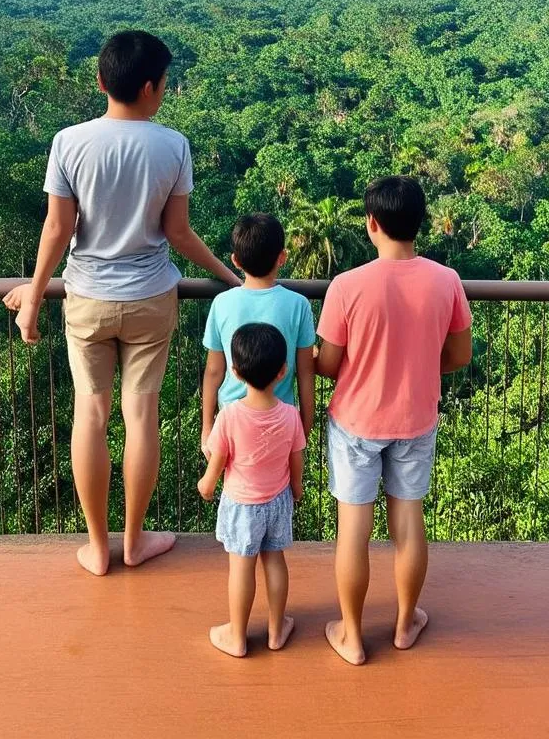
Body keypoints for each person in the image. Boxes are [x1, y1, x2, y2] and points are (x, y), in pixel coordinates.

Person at [3, 30, 240, 577]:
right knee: (140, 416)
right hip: (150, 299)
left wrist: (34, 299)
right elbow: (178, 233)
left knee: (90, 412)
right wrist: (229, 277)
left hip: (85, 299)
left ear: (100, 81)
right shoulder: (172, 145)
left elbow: (58, 229)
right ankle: (134, 542)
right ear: (153, 87)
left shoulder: (68, 142)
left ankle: (96, 546)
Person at [315, 176, 472, 666]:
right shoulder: (446, 281)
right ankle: (405, 624)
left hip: (356, 422)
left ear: (372, 224)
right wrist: (420, 362)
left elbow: (328, 363)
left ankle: (353, 636)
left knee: (353, 530)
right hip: (416, 418)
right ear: (420, 224)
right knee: (408, 523)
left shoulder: (347, 286)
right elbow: (459, 355)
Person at [198, 323, 306, 658]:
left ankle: (238, 637)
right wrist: (297, 488)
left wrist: (207, 483)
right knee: (275, 562)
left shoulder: (230, 416)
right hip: (277, 501)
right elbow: (296, 459)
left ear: (235, 371)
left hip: (242, 505)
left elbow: (218, 461)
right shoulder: (291, 415)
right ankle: (276, 631)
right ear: (283, 371)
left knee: (241, 568)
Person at [201, 213, 315, 454]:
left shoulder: (222, 303)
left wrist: (207, 426)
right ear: (282, 257)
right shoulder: (299, 304)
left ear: (235, 261)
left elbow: (213, 371)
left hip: (232, 418)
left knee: (238, 484)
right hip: (281, 417)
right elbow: (306, 372)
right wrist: (305, 425)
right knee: (278, 484)